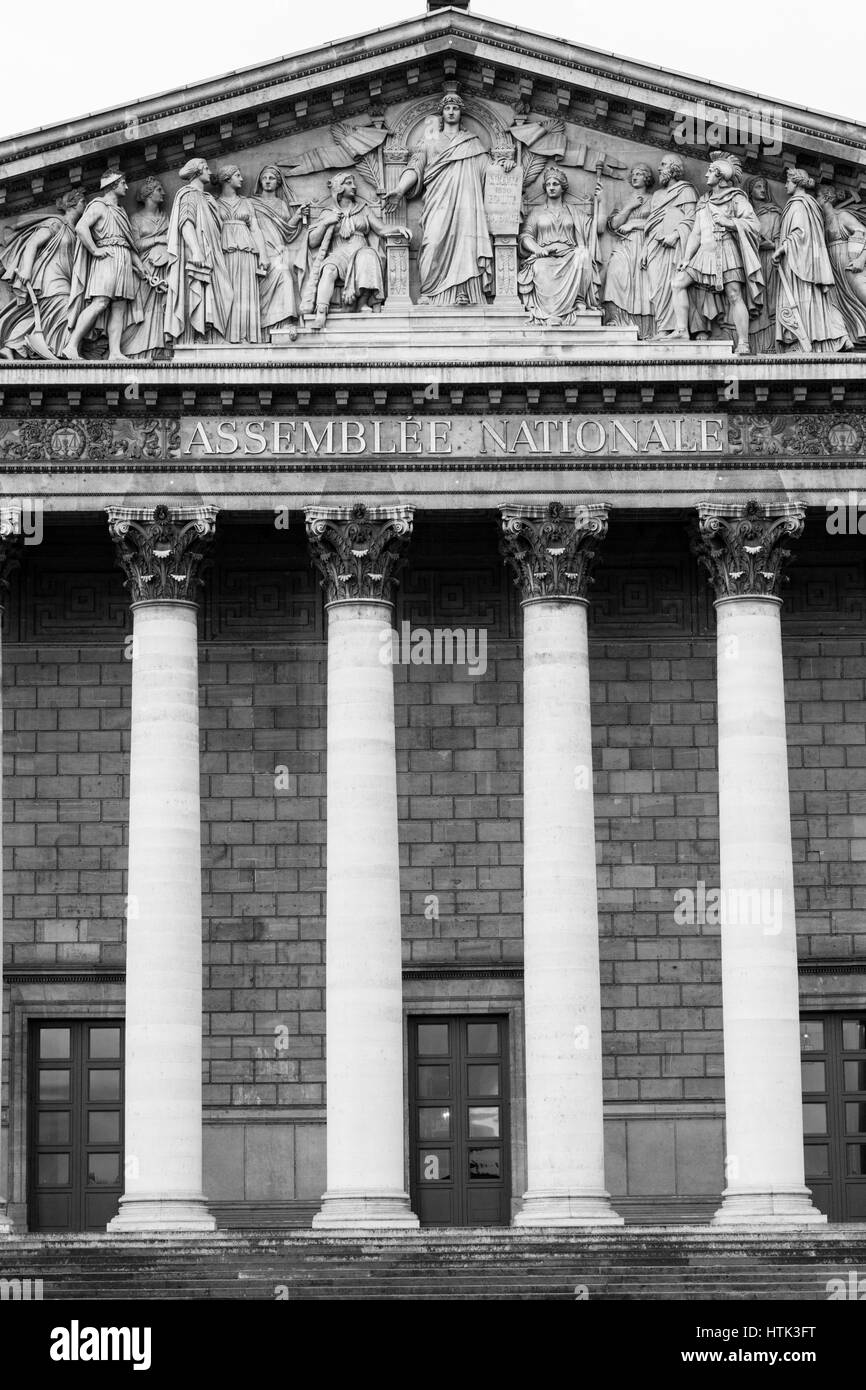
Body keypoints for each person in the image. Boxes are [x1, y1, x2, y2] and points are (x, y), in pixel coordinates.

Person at [381, 92, 513, 306]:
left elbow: (489, 172)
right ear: (442, 113)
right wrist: (399, 189)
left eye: (456, 108)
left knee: (466, 245)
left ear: (461, 112)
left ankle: (466, 292)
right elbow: (414, 168)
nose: (451, 111)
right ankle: (430, 293)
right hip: (437, 202)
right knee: (432, 242)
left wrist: (505, 166)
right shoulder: (429, 141)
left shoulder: (472, 142)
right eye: (447, 108)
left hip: (467, 204)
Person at [671, 154, 763, 355]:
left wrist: (728, 222)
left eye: (711, 171)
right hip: (703, 254)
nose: (706, 174)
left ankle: (744, 343)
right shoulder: (704, 200)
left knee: (734, 295)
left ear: (721, 177)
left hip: (726, 251)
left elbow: (754, 225)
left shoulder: (735, 198)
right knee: (677, 283)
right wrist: (686, 258)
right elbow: (696, 232)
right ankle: (681, 331)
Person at [64, 171, 153, 360]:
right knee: (100, 303)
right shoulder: (99, 205)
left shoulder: (120, 211)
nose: (127, 187)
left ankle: (115, 352)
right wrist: (95, 250)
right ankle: (71, 346)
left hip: (123, 258)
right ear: (113, 185)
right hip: (106, 258)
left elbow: (127, 243)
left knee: (119, 307)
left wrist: (140, 266)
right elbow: (81, 227)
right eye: (123, 183)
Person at [306, 171, 409, 330]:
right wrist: (326, 223)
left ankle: (362, 303)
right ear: (339, 187)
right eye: (348, 183)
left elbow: (381, 229)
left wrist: (398, 227)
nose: (353, 186)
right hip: (338, 252)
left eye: (353, 183)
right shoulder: (328, 213)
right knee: (328, 269)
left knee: (368, 256)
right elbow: (313, 241)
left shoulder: (363, 209)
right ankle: (321, 311)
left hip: (360, 249)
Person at [772, 168, 851, 354]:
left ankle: (812, 340)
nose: (784, 185)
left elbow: (800, 234)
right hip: (807, 262)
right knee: (818, 301)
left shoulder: (799, 204)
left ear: (797, 182)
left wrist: (780, 250)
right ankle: (836, 337)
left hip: (801, 263)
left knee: (806, 300)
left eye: (788, 181)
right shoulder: (809, 204)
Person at [0, 189, 86, 358]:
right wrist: (26, 269)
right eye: (83, 201)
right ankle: (62, 351)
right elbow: (33, 243)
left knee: (41, 314)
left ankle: (11, 346)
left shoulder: (75, 230)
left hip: (66, 276)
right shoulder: (56, 223)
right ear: (72, 204)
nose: (85, 205)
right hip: (50, 277)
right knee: (63, 309)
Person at [517, 164, 604, 325]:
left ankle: (579, 299)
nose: (551, 187)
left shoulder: (573, 211)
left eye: (555, 184)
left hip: (569, 256)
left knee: (583, 254)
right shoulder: (537, 212)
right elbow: (525, 236)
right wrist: (539, 249)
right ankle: (549, 312)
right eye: (548, 184)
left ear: (563, 187)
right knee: (540, 268)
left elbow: (597, 229)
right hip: (544, 257)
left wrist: (601, 201)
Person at [164, 158, 233, 346]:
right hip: (200, 253)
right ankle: (200, 335)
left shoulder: (205, 198)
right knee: (201, 289)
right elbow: (186, 223)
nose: (210, 172)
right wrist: (196, 251)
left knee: (221, 290)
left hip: (213, 251)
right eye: (206, 168)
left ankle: (212, 333)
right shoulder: (189, 195)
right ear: (198, 172)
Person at [640, 154, 697, 338]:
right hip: (654, 245)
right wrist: (644, 248)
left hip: (673, 246)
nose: (659, 168)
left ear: (673, 168)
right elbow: (650, 224)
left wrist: (675, 235)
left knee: (670, 285)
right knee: (656, 287)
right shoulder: (656, 195)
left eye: (663, 165)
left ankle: (675, 329)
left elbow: (692, 218)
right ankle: (663, 327)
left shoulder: (686, 191)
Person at [251, 165, 309, 341]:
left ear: (278, 183)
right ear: (260, 181)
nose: (268, 181)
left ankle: (285, 320)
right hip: (259, 250)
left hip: (278, 249)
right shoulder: (251, 202)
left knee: (286, 278)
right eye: (265, 178)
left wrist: (298, 215)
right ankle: (259, 326)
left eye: (272, 178)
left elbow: (287, 230)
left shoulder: (282, 204)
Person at [215, 165, 268, 344]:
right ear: (227, 179)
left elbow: (255, 229)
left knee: (245, 292)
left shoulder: (247, 202)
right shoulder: (214, 203)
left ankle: (246, 335)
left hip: (247, 251)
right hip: (225, 251)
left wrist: (264, 255)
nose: (242, 179)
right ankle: (226, 336)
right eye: (238, 175)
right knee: (227, 292)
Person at [603, 163, 654, 338]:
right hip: (625, 245)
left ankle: (646, 327)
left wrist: (635, 224)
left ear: (647, 178)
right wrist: (629, 207)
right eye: (634, 173)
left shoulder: (655, 199)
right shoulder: (625, 199)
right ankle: (616, 319)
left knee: (645, 285)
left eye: (640, 173)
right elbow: (614, 224)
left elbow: (661, 223)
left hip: (645, 245)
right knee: (614, 274)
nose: (635, 176)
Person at [121, 177, 171, 358]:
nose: (163, 193)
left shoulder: (166, 217)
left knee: (162, 307)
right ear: (149, 194)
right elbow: (134, 244)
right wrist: (158, 239)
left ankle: (160, 347)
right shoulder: (136, 218)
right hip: (146, 270)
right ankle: (136, 350)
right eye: (159, 189)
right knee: (143, 307)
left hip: (166, 267)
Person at [816, 185, 866, 345]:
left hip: (850, 263)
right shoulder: (821, 222)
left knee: (863, 294)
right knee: (838, 304)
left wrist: (861, 260)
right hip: (833, 268)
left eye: (817, 196)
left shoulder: (842, 216)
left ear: (826, 198)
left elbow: (864, 234)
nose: (815, 200)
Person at [745, 175, 783, 354]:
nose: (762, 190)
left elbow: (781, 243)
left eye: (764, 187)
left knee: (769, 301)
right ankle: (752, 343)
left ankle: (771, 345)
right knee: (752, 302)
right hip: (749, 262)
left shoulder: (774, 213)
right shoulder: (745, 213)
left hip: (769, 260)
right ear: (749, 190)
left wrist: (768, 244)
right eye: (758, 186)